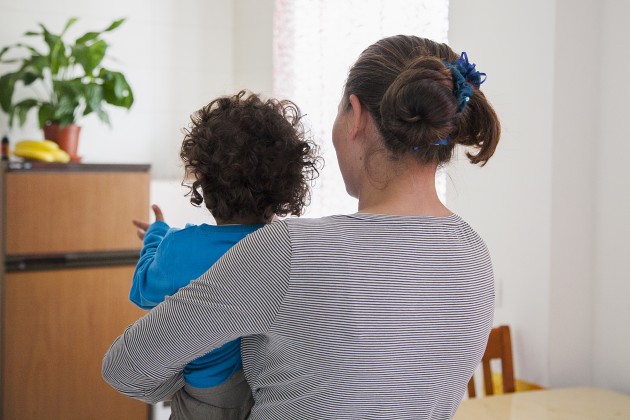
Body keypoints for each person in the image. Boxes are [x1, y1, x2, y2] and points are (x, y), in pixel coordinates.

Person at [103, 35, 501, 419]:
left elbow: (124, 367)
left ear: (356, 116)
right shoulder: (475, 257)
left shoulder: (288, 251)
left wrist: (204, 389)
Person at [127, 90, 321, 419]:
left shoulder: (180, 249)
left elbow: (142, 290)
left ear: (205, 183)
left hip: (209, 397)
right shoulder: (290, 248)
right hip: (275, 389)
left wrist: (156, 237)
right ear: (285, 184)